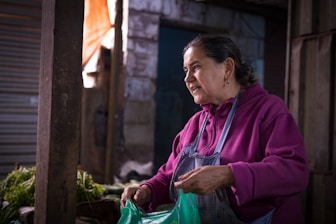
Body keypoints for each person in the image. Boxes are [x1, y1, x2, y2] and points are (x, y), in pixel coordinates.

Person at [120, 34, 309, 224]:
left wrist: (228, 175)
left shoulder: (268, 111)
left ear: (227, 68)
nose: (187, 78)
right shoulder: (194, 125)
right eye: (186, 70)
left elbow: (294, 171)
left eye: (196, 67)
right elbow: (169, 176)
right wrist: (148, 190)